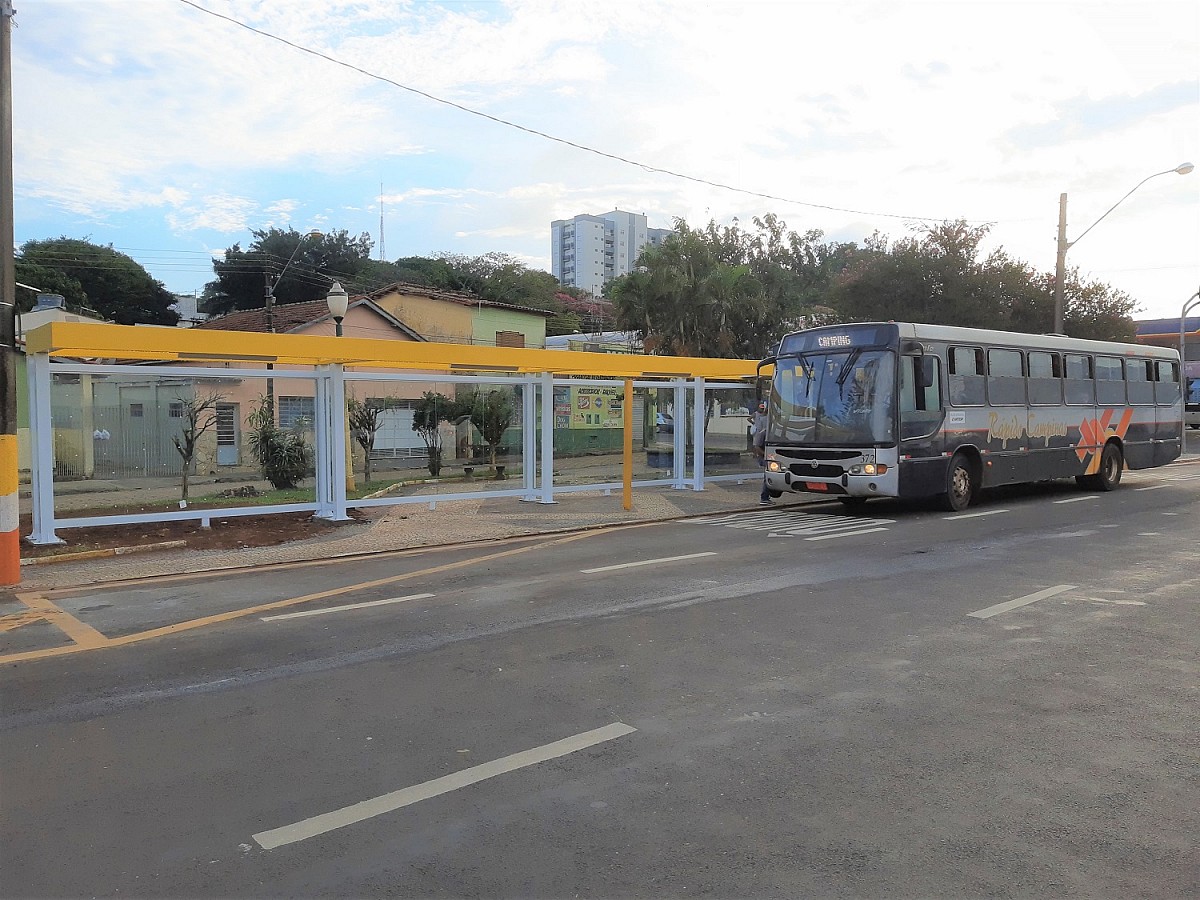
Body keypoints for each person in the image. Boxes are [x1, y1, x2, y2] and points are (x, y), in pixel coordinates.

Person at [752, 401, 773, 504]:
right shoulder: (763, 432)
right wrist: (765, 456)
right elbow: (757, 447)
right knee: (767, 475)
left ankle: (766, 496)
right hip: (765, 456)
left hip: (768, 456)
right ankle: (764, 497)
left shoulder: (770, 431)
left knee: (769, 474)